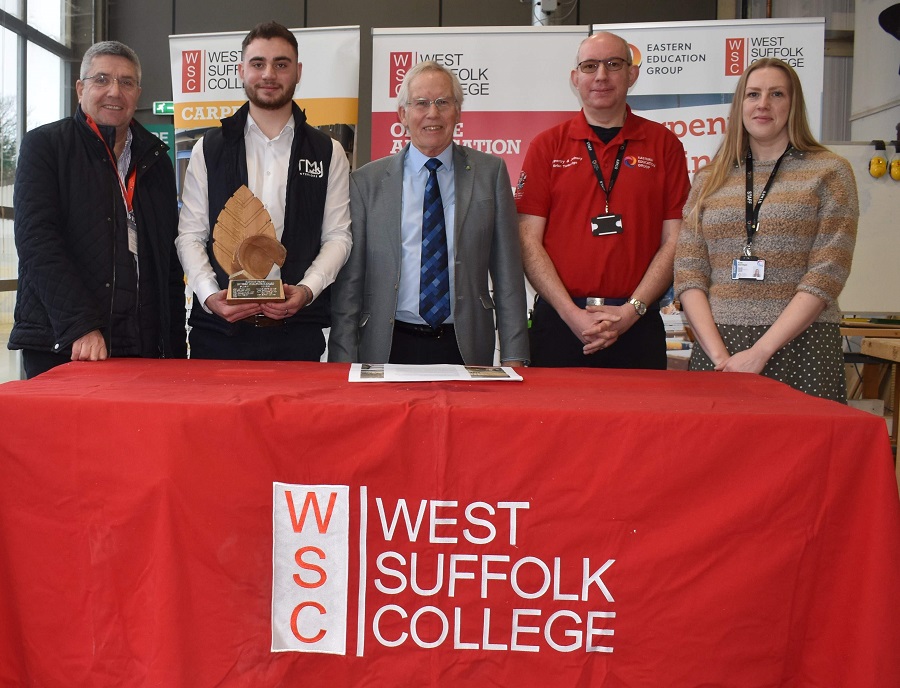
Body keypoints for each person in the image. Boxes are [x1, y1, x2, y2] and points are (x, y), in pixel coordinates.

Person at [674, 58, 858, 402]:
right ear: (739, 105)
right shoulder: (708, 179)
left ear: (793, 105)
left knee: (803, 452)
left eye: (776, 94)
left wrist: (761, 352)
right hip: (720, 346)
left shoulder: (830, 172)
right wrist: (720, 357)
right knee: (720, 454)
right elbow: (689, 273)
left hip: (802, 345)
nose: (763, 104)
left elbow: (827, 273)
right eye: (753, 94)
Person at [328, 61, 528, 367]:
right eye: (421, 103)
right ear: (403, 115)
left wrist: (515, 355)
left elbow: (508, 275)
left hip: (466, 345)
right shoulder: (366, 182)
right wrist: (342, 358)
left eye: (443, 102)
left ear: (458, 112)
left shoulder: (491, 173)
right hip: (387, 344)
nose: (432, 113)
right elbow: (351, 284)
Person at [176, 21, 351, 361]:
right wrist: (211, 296)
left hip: (297, 335)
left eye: (281, 64)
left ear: (297, 72)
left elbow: (338, 237)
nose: (269, 73)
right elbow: (190, 235)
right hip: (218, 336)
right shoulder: (208, 149)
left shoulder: (328, 151)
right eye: (258, 63)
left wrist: (306, 290)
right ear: (242, 70)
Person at [10, 41, 186, 379]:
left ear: (138, 92)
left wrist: (174, 347)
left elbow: (168, 264)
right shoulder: (46, 147)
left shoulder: (156, 162)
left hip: (143, 346)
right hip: (66, 343)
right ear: (80, 88)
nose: (114, 92)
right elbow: (37, 243)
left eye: (127, 82)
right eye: (101, 79)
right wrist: (80, 326)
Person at [515, 31, 691, 369]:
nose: (601, 76)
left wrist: (630, 311)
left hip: (637, 323)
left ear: (632, 74)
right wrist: (571, 315)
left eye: (613, 64)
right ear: (575, 77)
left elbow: (676, 240)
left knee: (641, 422)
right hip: (560, 324)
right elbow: (526, 239)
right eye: (590, 65)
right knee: (556, 423)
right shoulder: (547, 145)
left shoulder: (664, 144)